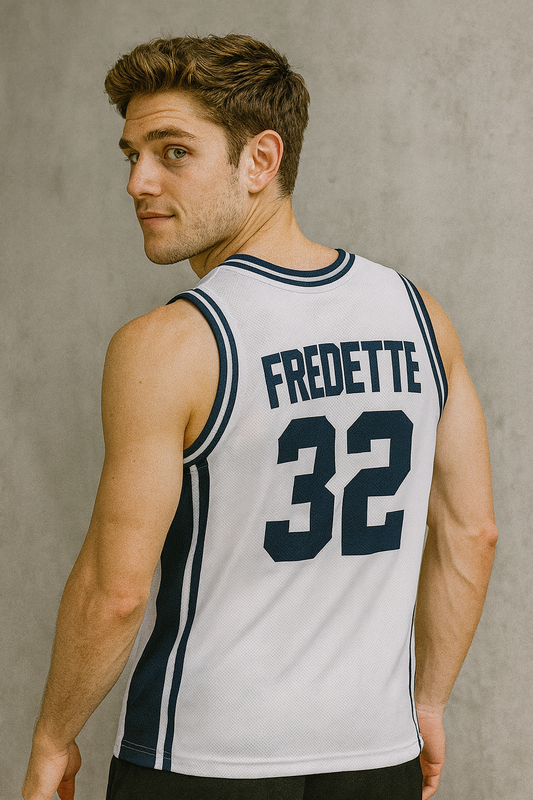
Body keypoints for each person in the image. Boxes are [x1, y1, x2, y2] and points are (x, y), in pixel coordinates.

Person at [22, 34, 497, 800]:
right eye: (132, 155)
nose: (138, 181)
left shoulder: (170, 344)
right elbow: (471, 533)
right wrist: (429, 703)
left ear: (260, 160)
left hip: (202, 757)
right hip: (376, 753)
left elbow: (116, 590)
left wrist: (53, 735)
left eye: (173, 152)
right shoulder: (419, 316)